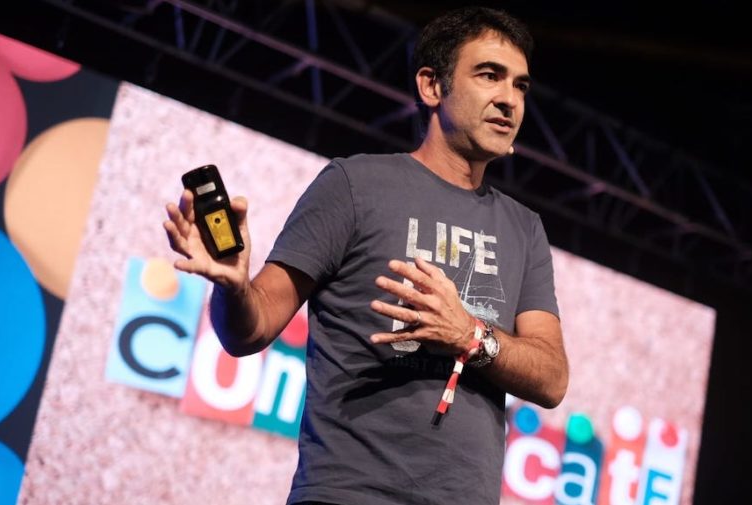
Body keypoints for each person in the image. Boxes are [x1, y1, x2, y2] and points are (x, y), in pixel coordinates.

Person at [164, 6, 568, 505]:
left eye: (520, 86)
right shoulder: (354, 185)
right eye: (489, 75)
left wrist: (470, 335)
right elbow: (249, 330)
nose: (509, 99)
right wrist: (231, 287)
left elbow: (551, 377)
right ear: (431, 86)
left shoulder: (524, 228)